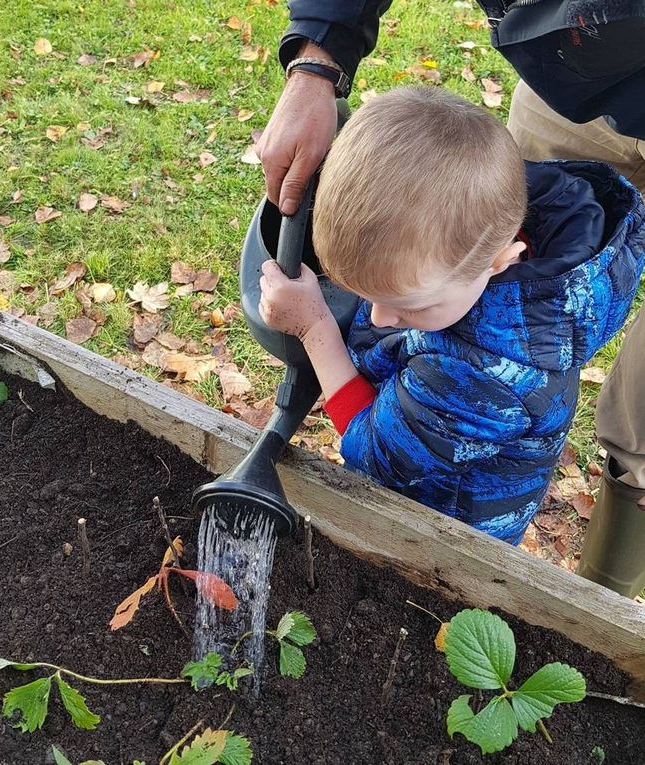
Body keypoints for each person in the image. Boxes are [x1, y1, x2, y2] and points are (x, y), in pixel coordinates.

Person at [256, 2, 645, 591]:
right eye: (366, 296)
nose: (381, 319)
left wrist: (315, 329)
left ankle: (597, 603)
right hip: (593, 54)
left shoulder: (486, 372)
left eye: (408, 308)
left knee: (422, 598)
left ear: (502, 260)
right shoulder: (483, 245)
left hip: (449, 528)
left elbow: (373, 452)